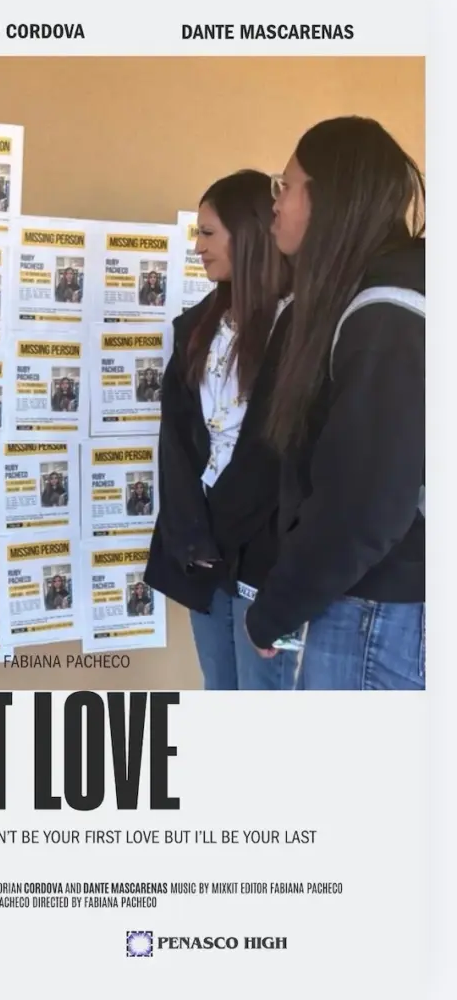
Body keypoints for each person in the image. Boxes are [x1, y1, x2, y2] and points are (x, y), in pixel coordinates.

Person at [243, 117, 425, 691]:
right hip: (376, 602)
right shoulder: (375, 295)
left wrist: (276, 606)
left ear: (332, 197)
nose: (275, 203)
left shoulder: (388, 310)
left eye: (286, 186)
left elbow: (364, 503)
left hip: (382, 612)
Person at [144, 169, 293, 690]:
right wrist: (190, 533)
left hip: (264, 552)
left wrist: (225, 529)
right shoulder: (195, 326)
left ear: (249, 234)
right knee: (220, 690)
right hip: (202, 549)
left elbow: (280, 452)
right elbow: (177, 441)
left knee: (264, 701)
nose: (198, 247)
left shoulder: (300, 326)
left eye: (208, 233)